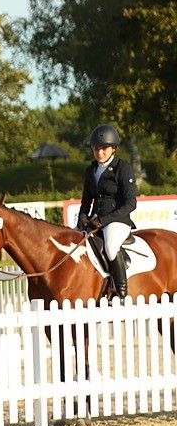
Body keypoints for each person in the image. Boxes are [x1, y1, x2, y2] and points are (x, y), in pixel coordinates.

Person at [79, 124, 137, 300]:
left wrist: (103, 221)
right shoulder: (91, 170)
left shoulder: (123, 169)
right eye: (96, 149)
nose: (100, 153)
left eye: (104, 149)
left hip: (118, 221)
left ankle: (121, 292)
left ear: (114, 148)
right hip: (95, 220)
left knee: (111, 247)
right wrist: (82, 218)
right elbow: (86, 201)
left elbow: (130, 203)